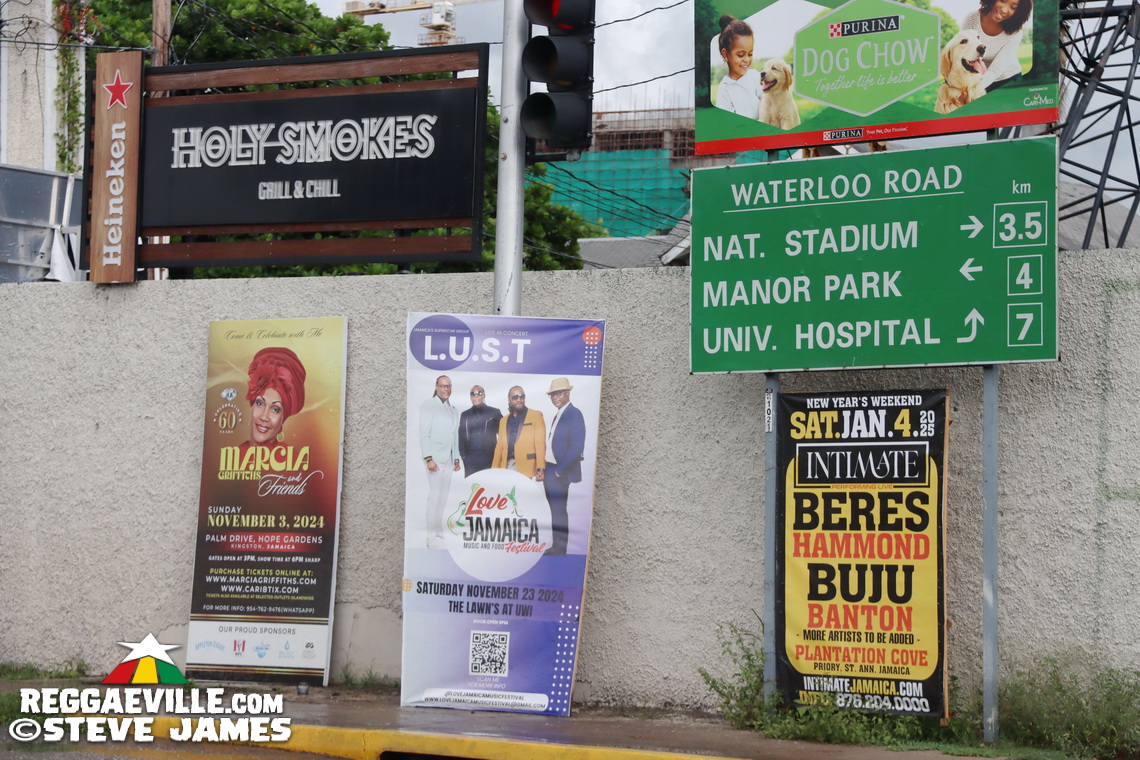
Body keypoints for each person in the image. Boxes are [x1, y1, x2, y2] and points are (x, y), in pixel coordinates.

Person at [543, 378, 586, 556]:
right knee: (555, 510)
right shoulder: (559, 413)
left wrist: (560, 470)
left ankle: (559, 549)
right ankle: (556, 546)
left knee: (559, 510)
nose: (555, 397)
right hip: (550, 469)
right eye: (552, 395)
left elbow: (577, 446)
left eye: (558, 393)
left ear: (568, 393)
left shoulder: (574, 414)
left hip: (558, 471)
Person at [419, 375, 460, 546]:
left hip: (448, 460)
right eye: (443, 386)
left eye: (448, 386)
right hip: (434, 459)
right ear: (436, 386)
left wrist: (456, 458)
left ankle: (438, 528)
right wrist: (428, 458)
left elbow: (454, 435)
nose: (446, 389)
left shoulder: (453, 409)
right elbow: (424, 434)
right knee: (435, 496)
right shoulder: (428, 405)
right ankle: (429, 535)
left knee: (443, 496)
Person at [242, 347, 306, 452]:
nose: (264, 416)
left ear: (283, 418)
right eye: (260, 403)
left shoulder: (293, 459)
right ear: (252, 405)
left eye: (275, 409)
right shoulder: (231, 456)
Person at [960, 0, 1033, 91]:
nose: (1004, 10)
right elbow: (962, 52)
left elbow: (994, 71)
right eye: (1003, 0)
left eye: (1013, 7)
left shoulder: (1016, 32)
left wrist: (972, 90)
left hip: (1009, 79)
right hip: (977, 78)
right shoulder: (972, 18)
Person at [491, 386, 545, 481]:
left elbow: (540, 444)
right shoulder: (503, 420)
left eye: (522, 397)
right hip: (507, 465)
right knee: (507, 490)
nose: (519, 400)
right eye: (515, 397)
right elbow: (499, 447)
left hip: (526, 465)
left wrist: (541, 467)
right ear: (509, 399)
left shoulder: (536, 415)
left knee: (524, 490)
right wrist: (494, 469)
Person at [715, 15, 763, 117]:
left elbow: (769, 101)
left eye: (750, 54)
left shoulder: (755, 77)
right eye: (740, 55)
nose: (746, 60)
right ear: (725, 54)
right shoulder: (725, 90)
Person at [458, 384, 501, 476]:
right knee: (471, 484)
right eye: (473, 394)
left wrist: (499, 454)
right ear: (470, 397)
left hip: (489, 457)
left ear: (484, 396)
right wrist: (463, 455)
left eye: (479, 393)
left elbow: (503, 432)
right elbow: (461, 436)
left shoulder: (494, 412)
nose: (476, 396)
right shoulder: (465, 415)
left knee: (489, 483)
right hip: (470, 458)